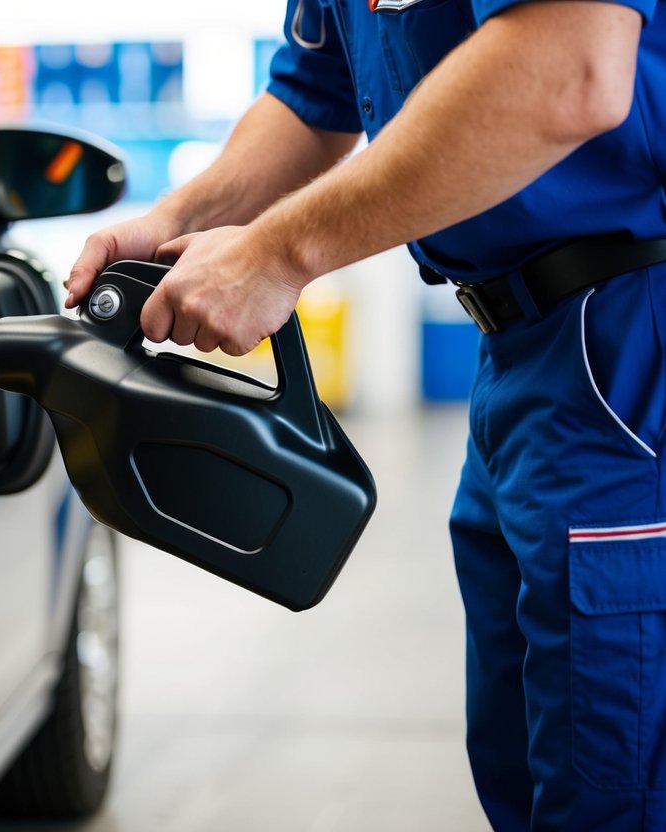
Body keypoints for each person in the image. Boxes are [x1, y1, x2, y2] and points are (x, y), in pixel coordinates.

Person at [64, 2, 666, 829]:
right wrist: (172, 225)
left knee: (614, 781)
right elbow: (315, 102)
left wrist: (277, 253)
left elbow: (572, 71)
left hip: (630, 339)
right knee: (528, 764)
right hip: (521, 354)